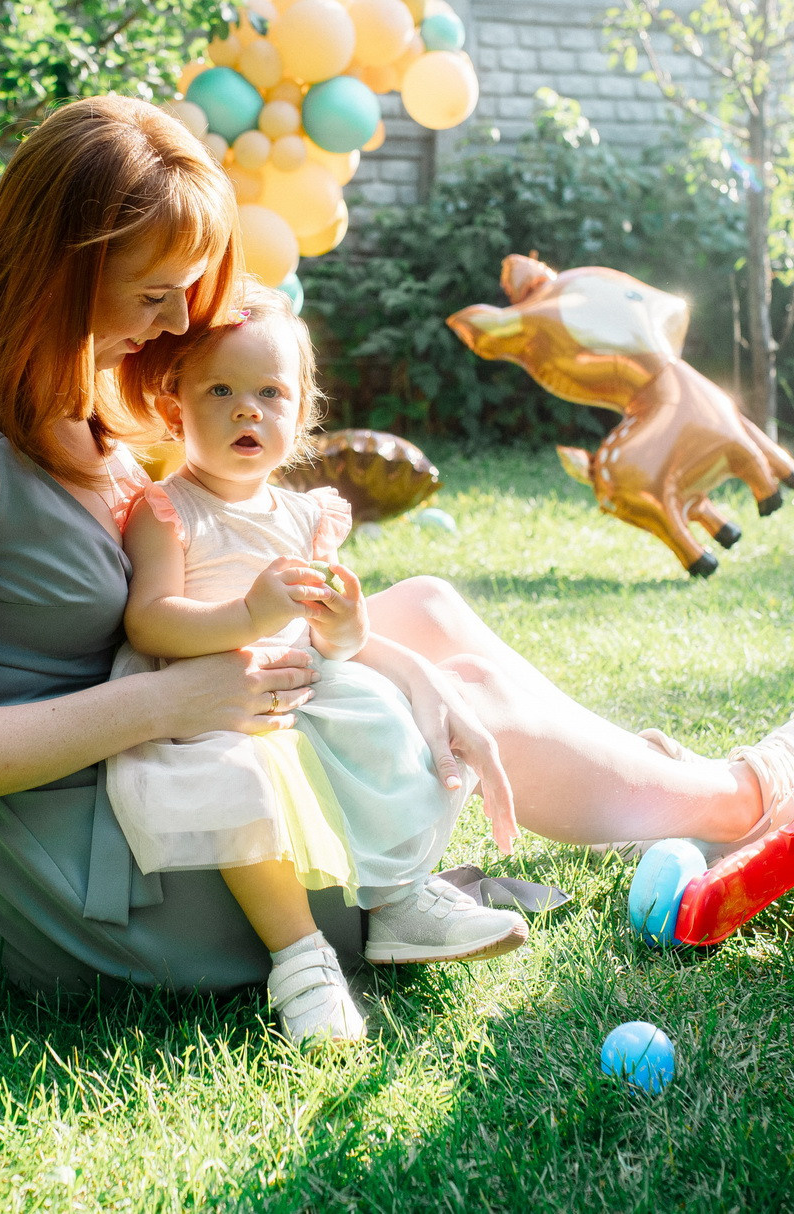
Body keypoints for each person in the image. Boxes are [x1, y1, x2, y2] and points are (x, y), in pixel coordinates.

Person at [0, 95, 794, 1007]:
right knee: (448, 678)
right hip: (111, 863)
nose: (176, 323)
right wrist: (169, 702)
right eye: (155, 294)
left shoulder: (68, 391)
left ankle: (673, 792)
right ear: (62, 273)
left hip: (168, 753)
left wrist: (406, 672)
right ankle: (738, 800)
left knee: (424, 618)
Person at [110, 285, 525, 1044]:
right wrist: (247, 617)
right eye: (220, 391)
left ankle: (397, 900)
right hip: (208, 701)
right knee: (240, 787)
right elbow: (149, 619)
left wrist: (342, 624)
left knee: (382, 716)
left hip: (300, 683)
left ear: (300, 414)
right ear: (175, 413)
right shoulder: (168, 511)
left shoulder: (307, 516)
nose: (247, 410)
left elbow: (335, 640)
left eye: (270, 393)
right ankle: (300, 961)